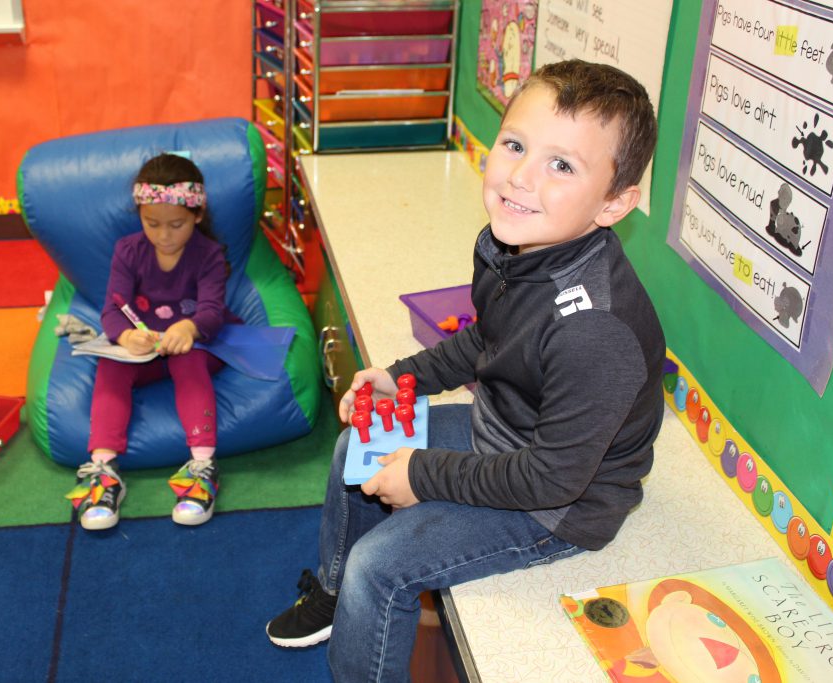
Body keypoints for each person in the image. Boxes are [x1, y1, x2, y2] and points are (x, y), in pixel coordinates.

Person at [265, 59, 666, 681]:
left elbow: (550, 480)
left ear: (615, 203)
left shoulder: (595, 332)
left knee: (382, 567)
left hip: (562, 506)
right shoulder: (515, 245)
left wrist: (424, 475)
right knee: (354, 450)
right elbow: (489, 339)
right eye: (515, 145)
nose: (520, 177)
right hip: (505, 435)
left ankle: (358, 616)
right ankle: (337, 597)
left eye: (562, 165)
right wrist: (403, 378)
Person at [66, 153, 234, 530]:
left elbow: (212, 310)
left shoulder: (207, 254)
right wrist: (126, 335)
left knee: (185, 359)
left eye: (176, 225)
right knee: (111, 363)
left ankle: (203, 466)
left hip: (195, 347)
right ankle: (103, 469)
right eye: (151, 223)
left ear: (197, 215)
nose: (163, 235)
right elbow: (113, 309)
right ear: (139, 215)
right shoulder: (128, 250)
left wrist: (188, 329)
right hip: (144, 352)